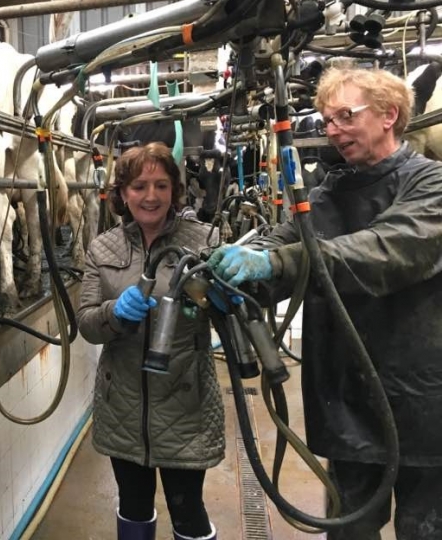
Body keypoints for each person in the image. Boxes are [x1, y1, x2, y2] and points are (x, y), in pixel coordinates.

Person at [208, 67, 442, 539]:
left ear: (388, 116)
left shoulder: (431, 184)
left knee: (425, 528)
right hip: (347, 398)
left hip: (422, 401)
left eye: (343, 116)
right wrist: (235, 268)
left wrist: (278, 264)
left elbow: (387, 250)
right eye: (326, 119)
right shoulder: (329, 191)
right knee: (350, 530)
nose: (331, 130)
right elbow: (287, 240)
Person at [77, 142, 224, 540]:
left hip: (185, 401)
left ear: (175, 191)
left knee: (188, 509)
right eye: (140, 186)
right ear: (123, 194)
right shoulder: (103, 247)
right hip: (122, 404)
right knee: (133, 505)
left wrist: (227, 298)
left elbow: (234, 312)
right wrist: (113, 314)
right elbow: (86, 324)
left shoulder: (205, 241)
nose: (151, 196)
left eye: (161, 185)